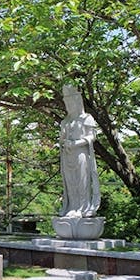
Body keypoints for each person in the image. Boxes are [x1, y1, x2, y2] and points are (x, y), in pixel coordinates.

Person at [59, 85, 100, 218]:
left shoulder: (86, 118)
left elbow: (92, 136)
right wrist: (62, 141)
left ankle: (83, 207)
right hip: (68, 154)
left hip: (81, 153)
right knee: (70, 182)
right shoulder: (65, 121)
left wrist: (76, 143)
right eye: (67, 103)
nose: (69, 105)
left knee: (82, 181)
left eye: (71, 102)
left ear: (77, 102)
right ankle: (72, 206)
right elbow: (62, 139)